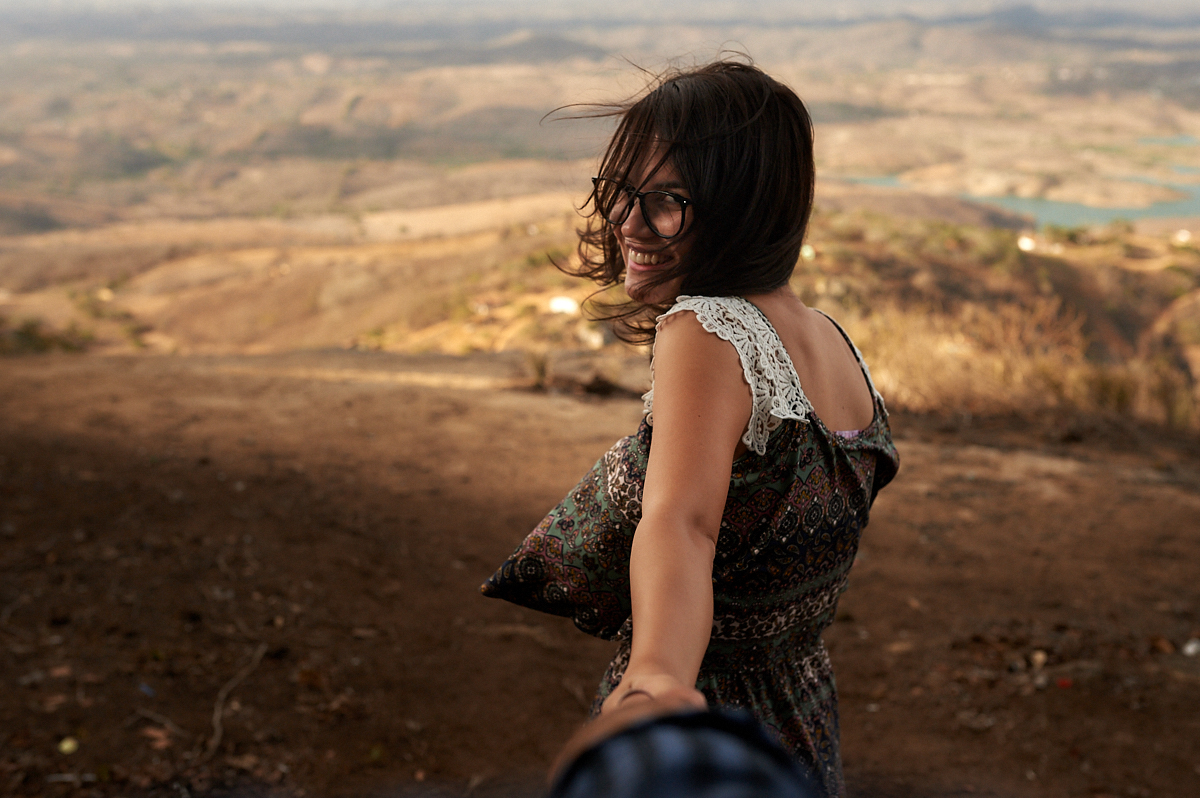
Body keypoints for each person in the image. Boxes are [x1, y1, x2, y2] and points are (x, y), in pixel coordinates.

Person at [482, 58, 899, 798]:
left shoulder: (705, 330)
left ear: (744, 208)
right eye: (620, 194)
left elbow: (684, 522)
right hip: (799, 716)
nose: (626, 223)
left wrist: (655, 677)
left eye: (666, 200)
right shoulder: (833, 343)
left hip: (703, 725)